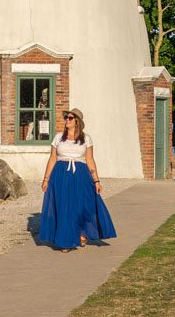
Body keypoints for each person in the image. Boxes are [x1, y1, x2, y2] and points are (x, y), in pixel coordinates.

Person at [38, 108, 116, 252]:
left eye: (70, 118)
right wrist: (46, 179)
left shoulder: (86, 139)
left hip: (81, 175)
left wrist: (96, 181)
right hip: (60, 175)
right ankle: (66, 242)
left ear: (77, 121)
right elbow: (53, 158)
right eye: (66, 118)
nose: (67, 120)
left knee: (83, 205)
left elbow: (90, 160)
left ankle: (82, 231)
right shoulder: (58, 137)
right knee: (64, 207)